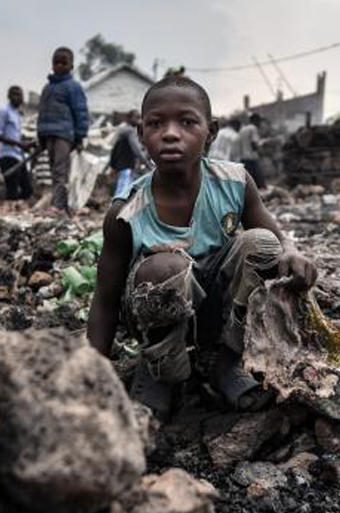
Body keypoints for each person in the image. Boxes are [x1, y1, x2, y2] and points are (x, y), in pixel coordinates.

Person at [85, 75, 317, 420]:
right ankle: (161, 372)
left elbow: (278, 240)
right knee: (165, 267)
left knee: (262, 244)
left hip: (216, 314)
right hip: (156, 318)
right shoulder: (126, 211)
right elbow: (105, 300)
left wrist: (292, 252)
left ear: (211, 131)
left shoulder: (235, 183)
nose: (170, 133)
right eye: (156, 123)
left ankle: (226, 363)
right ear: (141, 135)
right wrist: (90, 376)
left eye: (187, 122)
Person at [37, 47, 90, 216]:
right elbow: (42, 113)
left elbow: (81, 112)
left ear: (71, 66)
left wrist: (80, 136)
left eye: (63, 63)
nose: (59, 66)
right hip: (49, 135)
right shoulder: (47, 88)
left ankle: (58, 206)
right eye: (56, 63)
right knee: (55, 171)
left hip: (64, 134)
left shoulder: (73, 87)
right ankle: (63, 206)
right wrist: (40, 136)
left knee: (60, 170)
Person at [0, 85, 35, 201]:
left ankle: (13, 207)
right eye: (14, 94)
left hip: (18, 156)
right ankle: (9, 212)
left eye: (19, 95)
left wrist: (26, 145)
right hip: (7, 156)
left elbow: (14, 136)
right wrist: (19, 144)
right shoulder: (4, 111)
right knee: (12, 189)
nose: (17, 97)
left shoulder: (18, 115)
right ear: (9, 96)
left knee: (28, 190)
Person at [109, 110, 152, 196]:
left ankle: (116, 206)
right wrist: (148, 165)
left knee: (121, 188)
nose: (140, 120)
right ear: (129, 118)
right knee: (123, 192)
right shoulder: (130, 131)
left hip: (120, 165)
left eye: (140, 118)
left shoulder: (121, 130)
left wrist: (113, 165)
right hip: (127, 165)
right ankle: (118, 208)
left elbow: (114, 150)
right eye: (137, 118)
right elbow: (137, 151)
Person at [238, 114, 265, 189]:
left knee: (248, 183)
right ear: (256, 121)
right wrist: (260, 150)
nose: (260, 124)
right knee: (259, 183)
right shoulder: (253, 128)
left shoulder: (242, 129)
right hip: (252, 158)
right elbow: (254, 144)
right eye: (259, 121)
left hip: (243, 158)